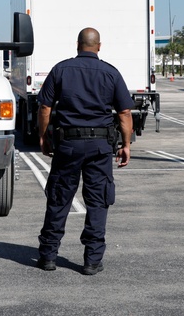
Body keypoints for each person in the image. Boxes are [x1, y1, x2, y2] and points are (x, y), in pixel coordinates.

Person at [36, 27, 134, 275]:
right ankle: (92, 261)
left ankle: (48, 256)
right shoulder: (111, 73)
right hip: (100, 147)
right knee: (98, 201)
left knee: (59, 199)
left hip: (67, 145)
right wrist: (126, 145)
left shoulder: (61, 69)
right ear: (99, 46)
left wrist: (44, 137)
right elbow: (124, 113)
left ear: (77, 45)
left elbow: (45, 108)